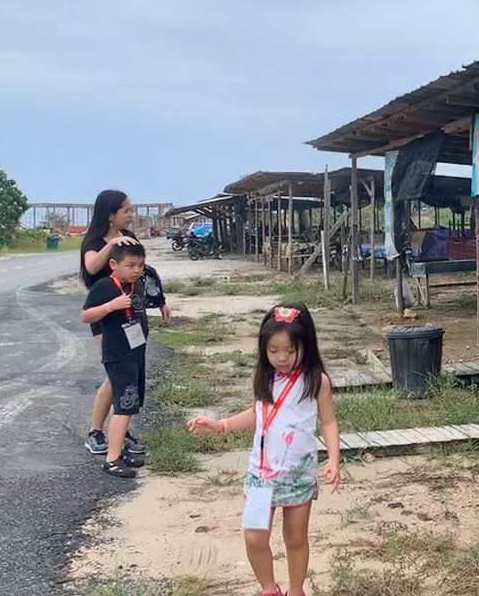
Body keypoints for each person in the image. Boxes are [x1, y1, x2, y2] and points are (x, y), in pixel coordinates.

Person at [187, 304, 341, 596]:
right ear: (263, 350)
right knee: (254, 537)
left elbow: (329, 422)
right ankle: (269, 589)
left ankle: (296, 590)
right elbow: (258, 413)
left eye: (290, 350)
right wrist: (221, 425)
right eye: (273, 350)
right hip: (261, 475)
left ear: (305, 345)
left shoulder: (317, 381)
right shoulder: (264, 378)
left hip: (298, 476)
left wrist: (334, 460)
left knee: (296, 538)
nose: (281, 358)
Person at [80, 190, 170, 456]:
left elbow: (144, 271)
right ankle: (96, 432)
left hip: (130, 318)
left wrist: (161, 301)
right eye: (126, 211)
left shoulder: (129, 239)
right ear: (110, 215)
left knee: (126, 373)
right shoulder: (95, 241)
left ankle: (121, 430)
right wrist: (112, 244)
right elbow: (93, 267)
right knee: (116, 373)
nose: (131, 215)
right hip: (105, 316)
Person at [81, 241, 150, 478]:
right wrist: (110, 306)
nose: (136, 270)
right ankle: (111, 459)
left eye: (140, 265)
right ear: (114, 264)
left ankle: (118, 448)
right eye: (130, 265)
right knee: (124, 406)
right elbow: (86, 315)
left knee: (129, 405)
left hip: (136, 353)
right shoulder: (105, 286)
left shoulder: (137, 284)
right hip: (118, 354)